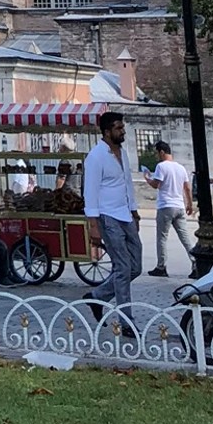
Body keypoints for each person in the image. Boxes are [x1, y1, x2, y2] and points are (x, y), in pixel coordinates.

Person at [82, 110, 142, 333]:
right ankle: (127, 321)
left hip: (125, 213)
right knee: (123, 266)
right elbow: (91, 191)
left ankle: (98, 295)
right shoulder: (96, 156)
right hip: (107, 216)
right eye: (118, 127)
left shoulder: (122, 153)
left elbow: (127, 183)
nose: (122, 131)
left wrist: (135, 212)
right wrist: (93, 224)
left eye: (122, 127)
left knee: (135, 266)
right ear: (107, 132)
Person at [145, 140, 199, 276]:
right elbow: (187, 187)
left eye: (157, 153)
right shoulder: (180, 168)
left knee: (162, 237)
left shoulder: (161, 167)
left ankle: (161, 266)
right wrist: (189, 204)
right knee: (185, 237)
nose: (157, 156)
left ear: (161, 152)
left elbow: (156, 184)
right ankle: (196, 263)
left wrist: (147, 178)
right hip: (179, 205)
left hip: (166, 205)